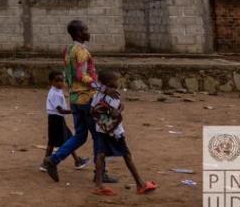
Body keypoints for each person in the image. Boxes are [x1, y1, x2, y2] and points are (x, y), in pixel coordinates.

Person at [41, 19, 119, 183]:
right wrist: (103, 89)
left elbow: (70, 76)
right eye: (85, 30)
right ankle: (100, 173)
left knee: (80, 135)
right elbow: (81, 75)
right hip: (86, 99)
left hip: (74, 99)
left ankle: (53, 160)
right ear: (78, 33)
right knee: (99, 135)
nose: (88, 32)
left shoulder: (67, 49)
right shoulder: (81, 51)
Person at [89, 70, 158, 196]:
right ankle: (140, 184)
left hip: (100, 129)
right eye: (116, 80)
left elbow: (93, 109)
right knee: (127, 155)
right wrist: (121, 107)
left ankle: (98, 185)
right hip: (115, 132)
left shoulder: (98, 93)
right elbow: (115, 114)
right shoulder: (114, 95)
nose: (118, 82)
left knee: (100, 155)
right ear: (110, 82)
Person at [41, 70, 91, 171]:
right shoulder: (55, 94)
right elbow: (61, 110)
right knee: (65, 141)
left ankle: (76, 161)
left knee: (64, 140)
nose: (60, 83)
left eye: (61, 80)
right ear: (51, 82)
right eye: (57, 81)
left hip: (56, 118)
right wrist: (74, 111)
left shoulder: (56, 91)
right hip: (56, 119)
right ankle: (46, 163)